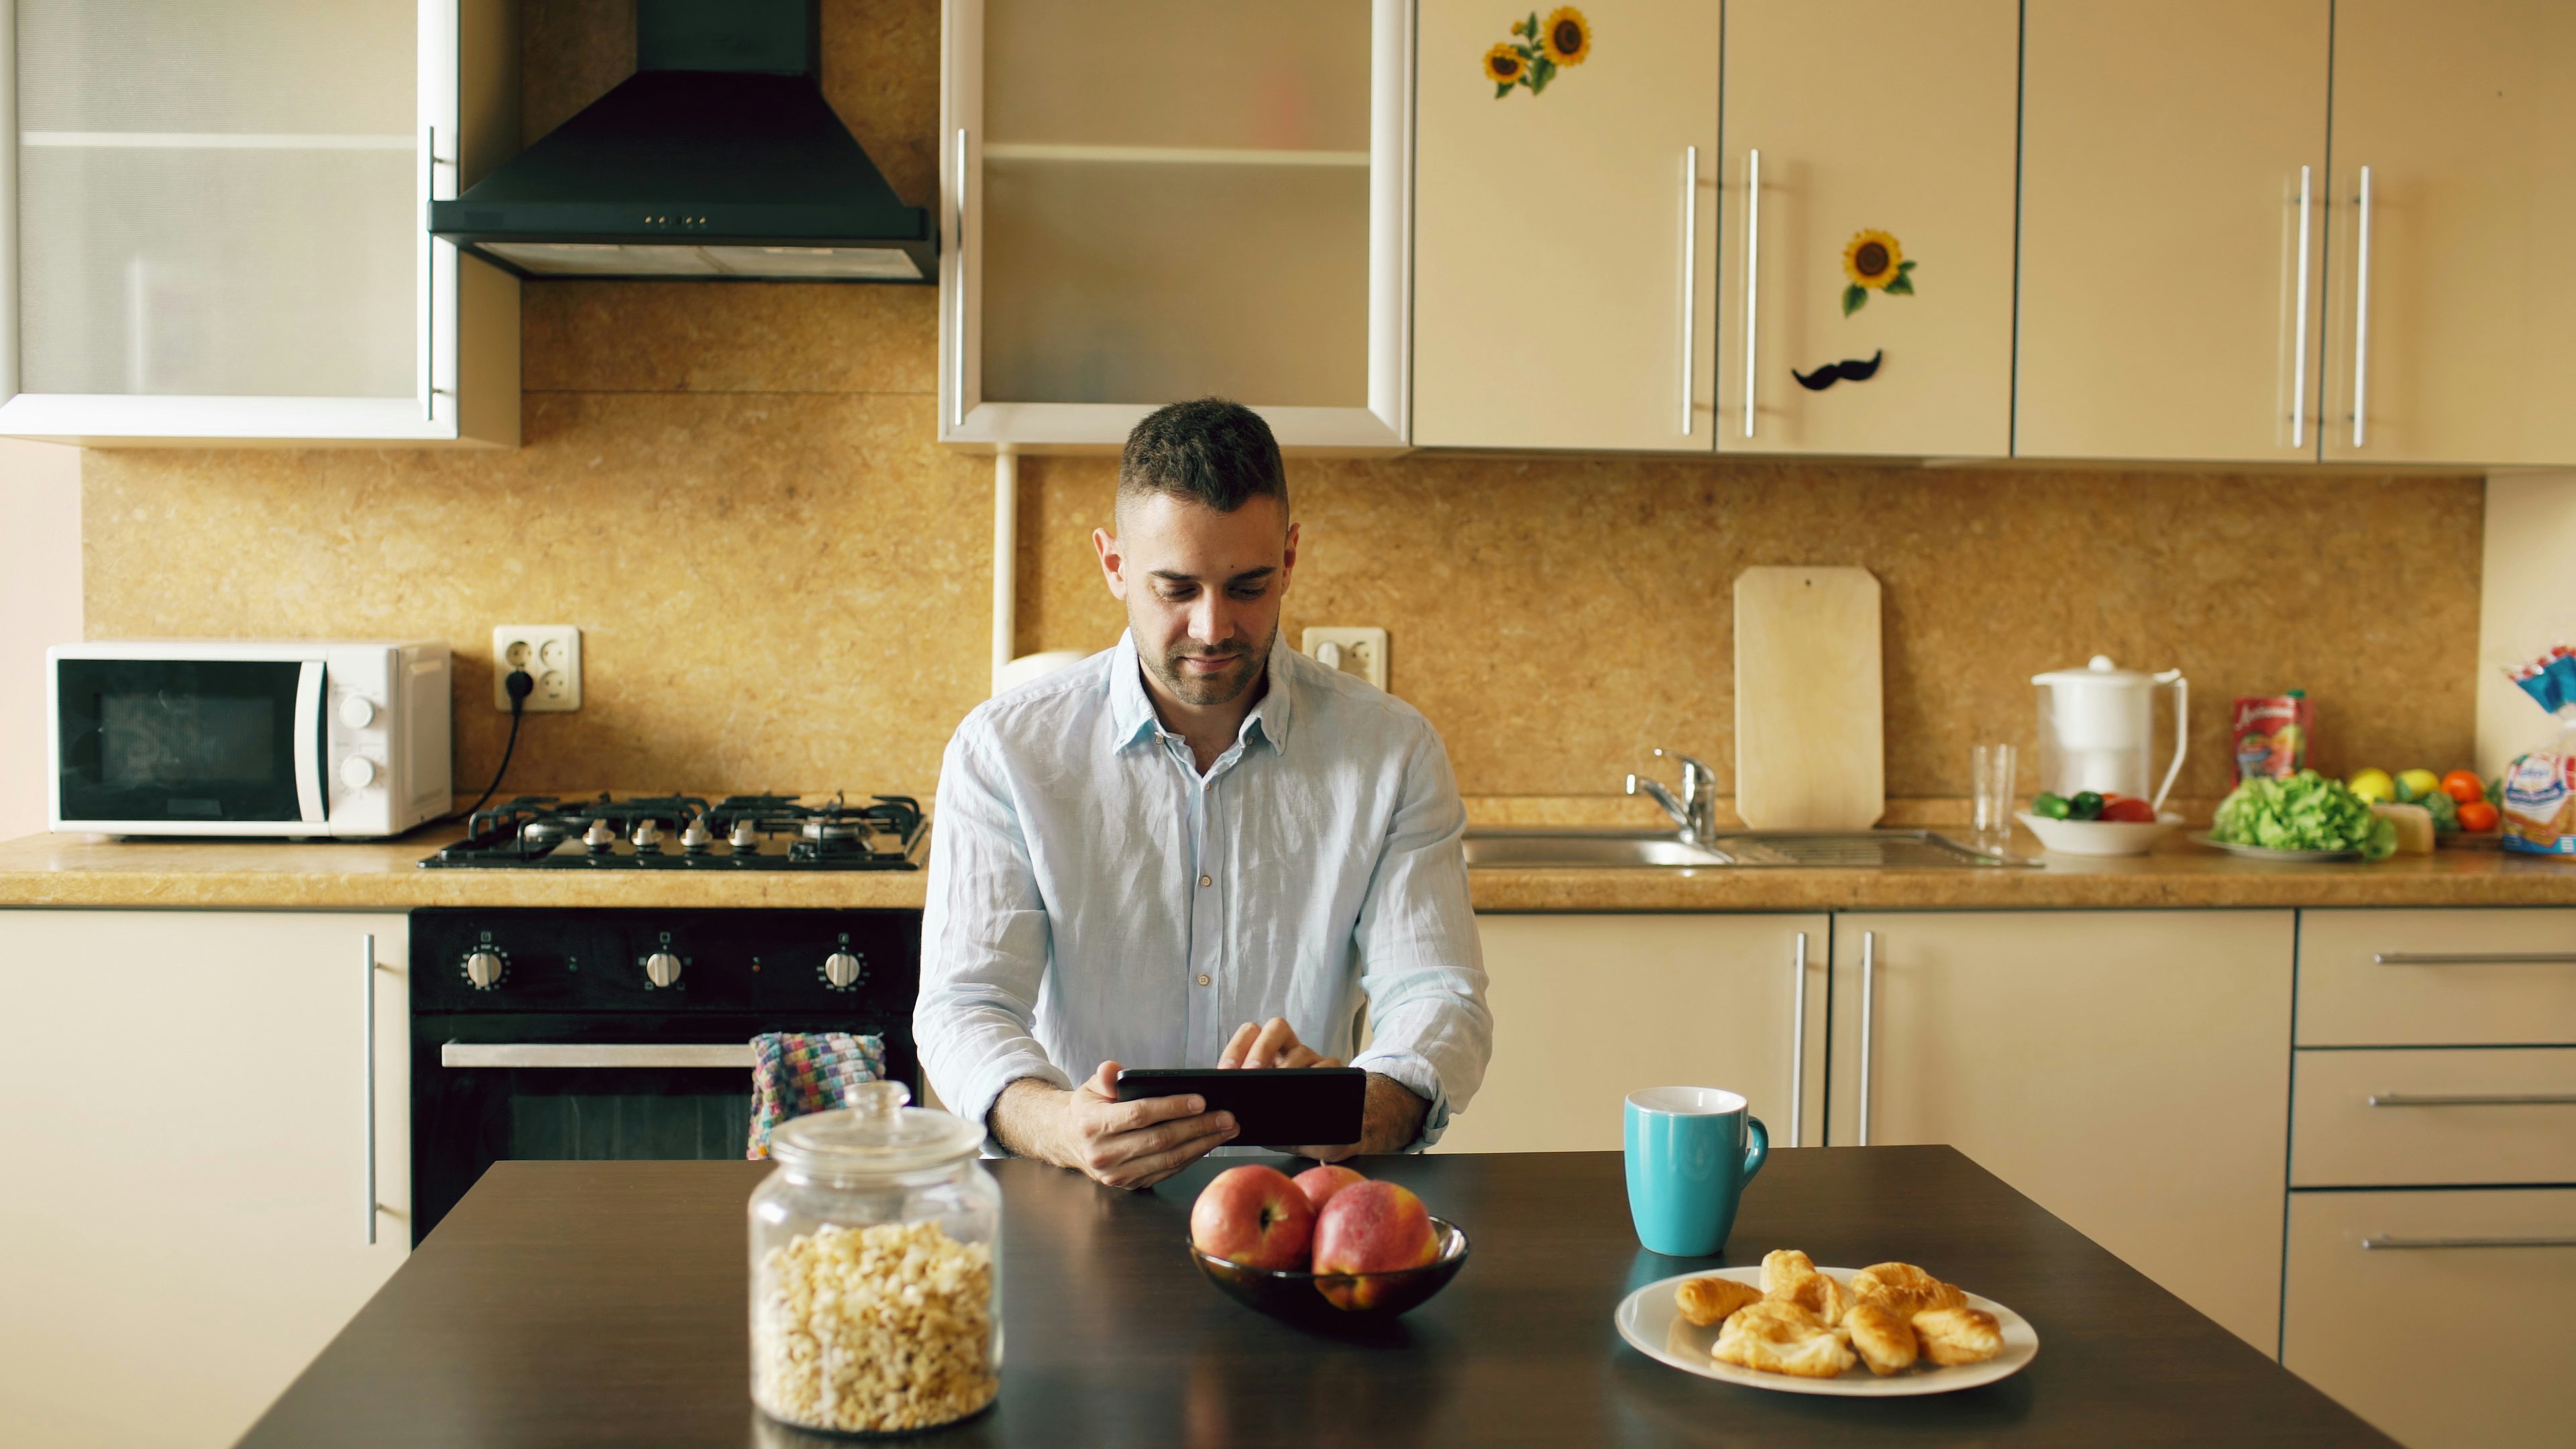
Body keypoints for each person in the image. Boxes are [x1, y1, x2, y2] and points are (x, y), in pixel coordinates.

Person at [917, 398, 1491, 1190]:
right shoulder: (1006, 750)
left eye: (1248, 586)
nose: (1213, 627)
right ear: (1115, 564)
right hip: (1069, 1199)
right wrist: (1059, 1125)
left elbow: (1439, 997)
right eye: (1176, 589)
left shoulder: (1392, 751)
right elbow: (964, 1005)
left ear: (1289, 558)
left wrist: (1353, 1105)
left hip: (1300, 1207)